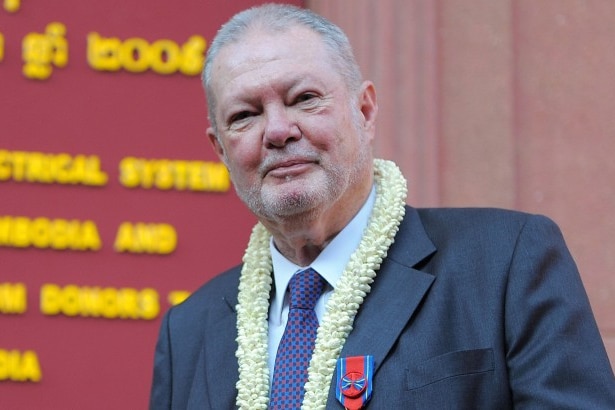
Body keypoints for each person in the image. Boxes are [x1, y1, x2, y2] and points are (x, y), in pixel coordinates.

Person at [150, 4, 615, 409]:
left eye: (305, 98)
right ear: (220, 151)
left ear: (365, 112)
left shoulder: (504, 264)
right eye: (244, 116)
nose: (277, 130)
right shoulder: (189, 330)